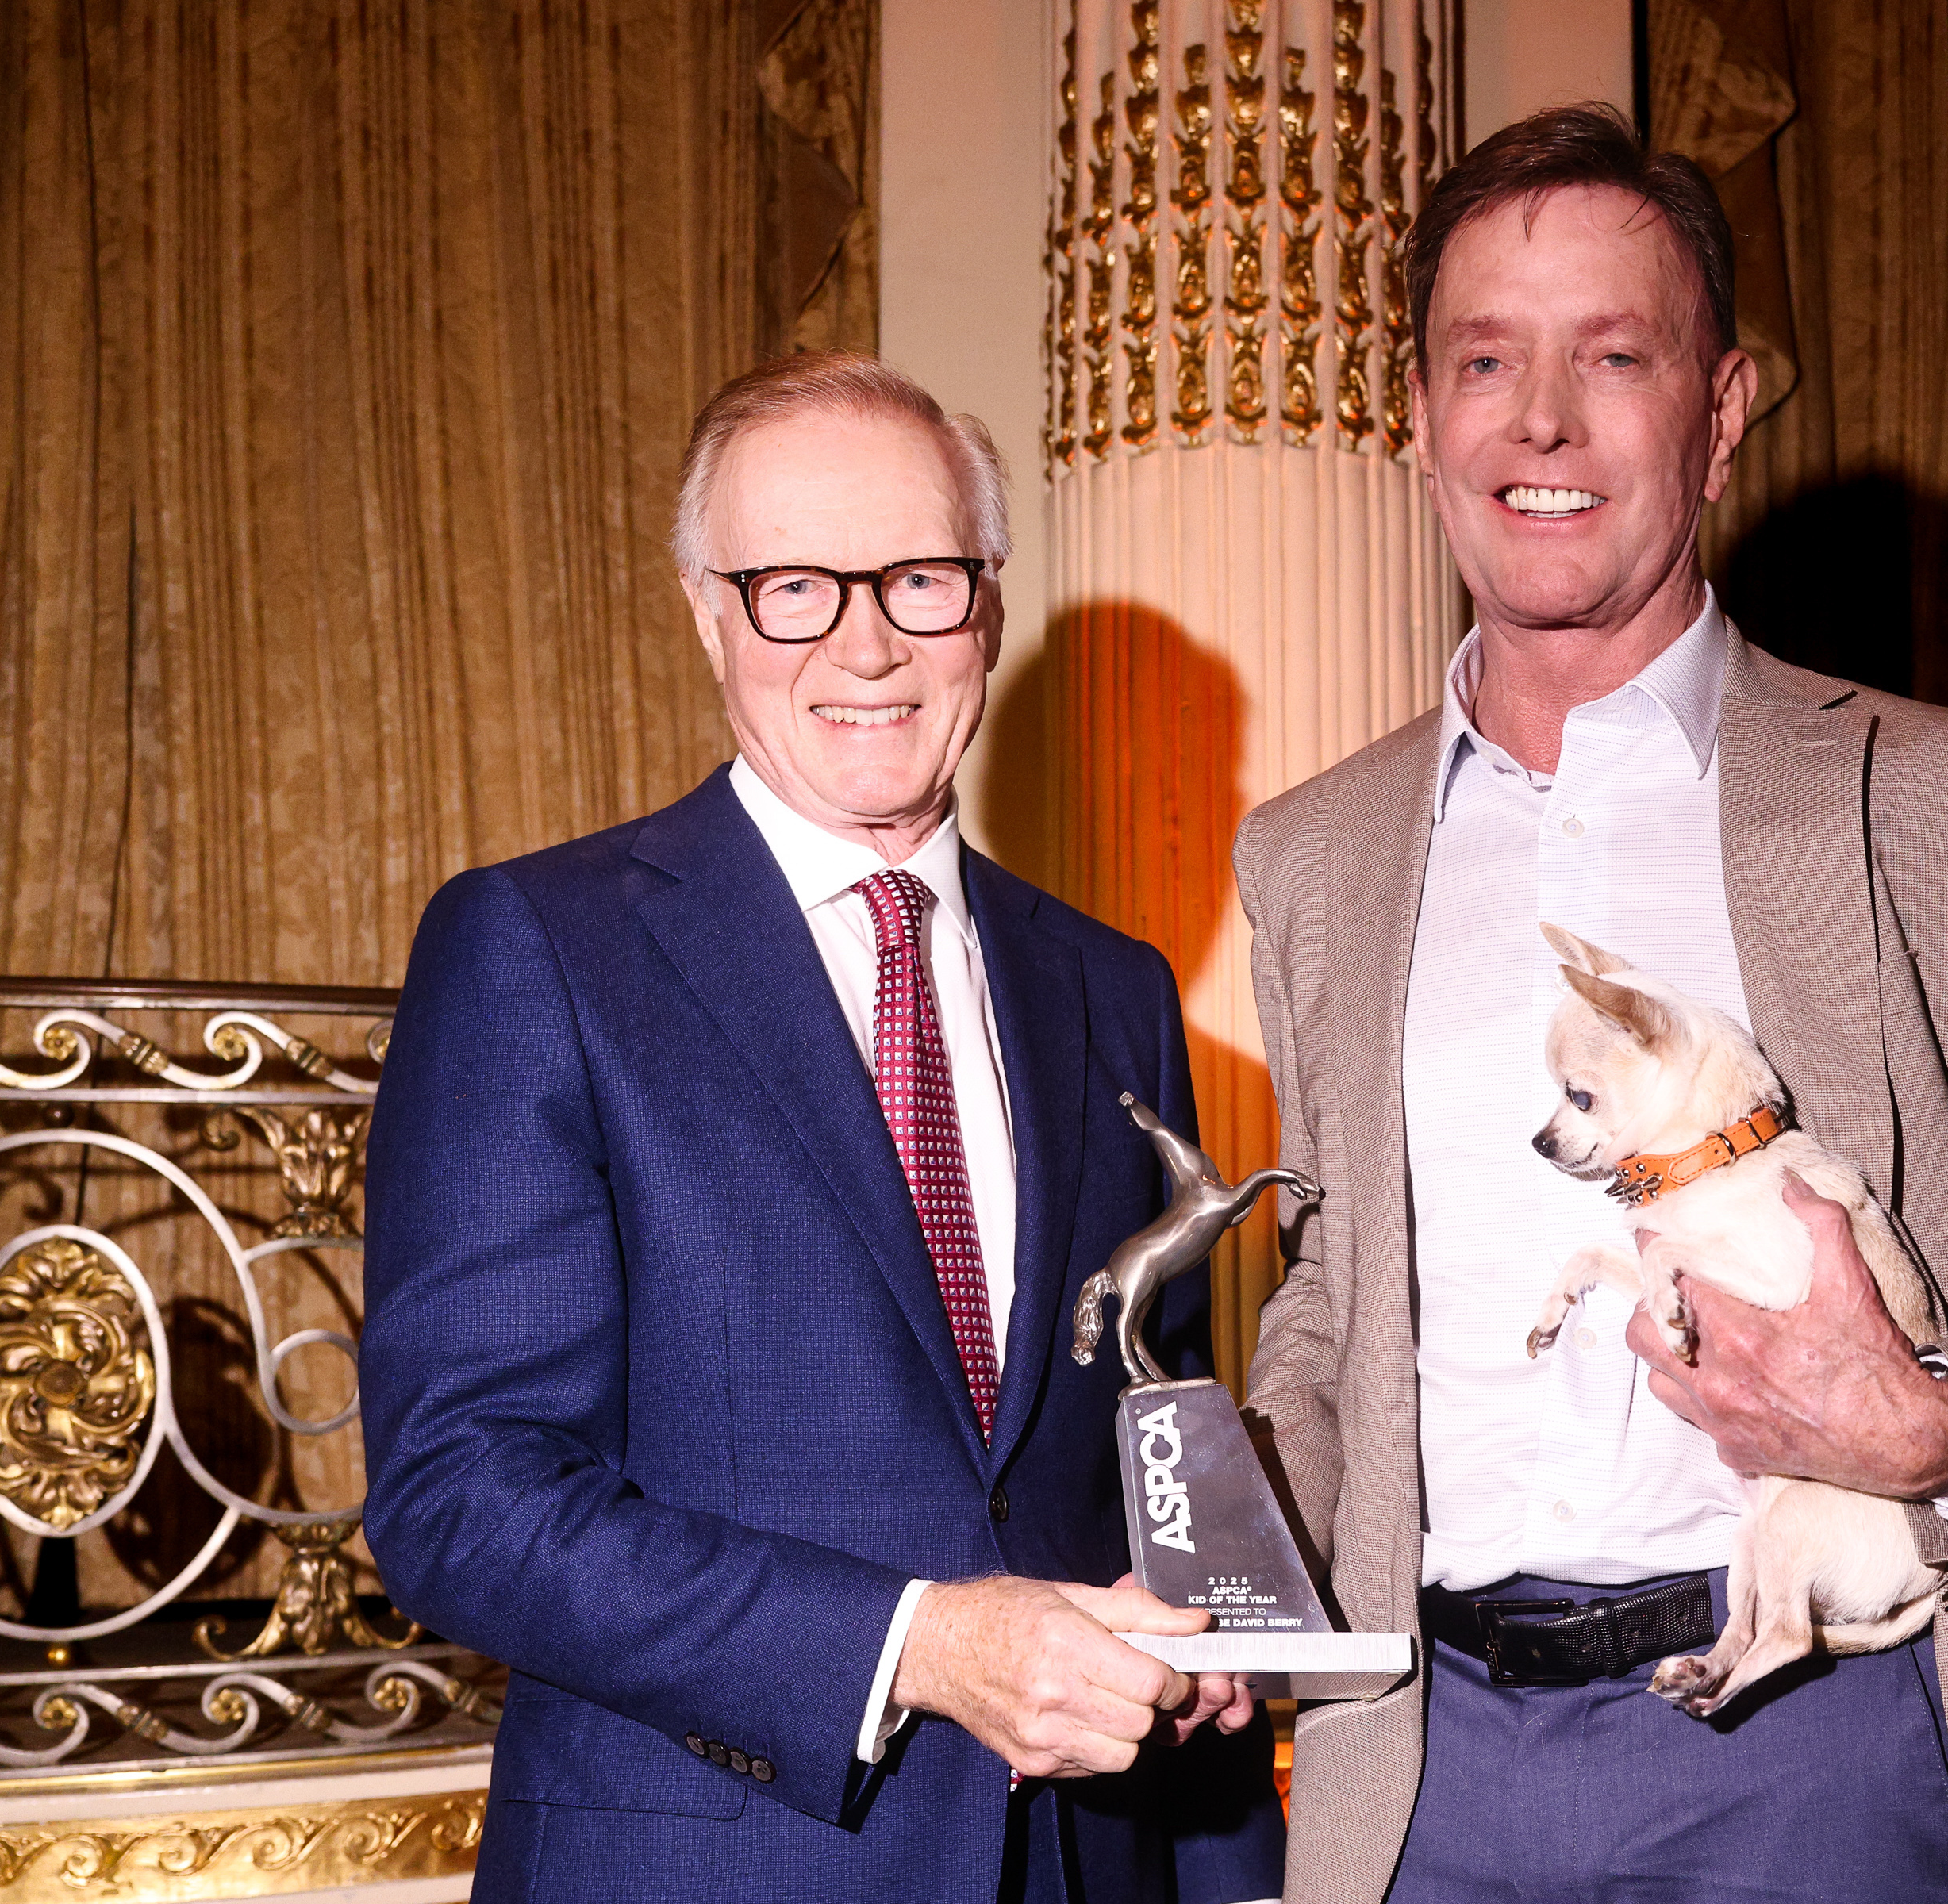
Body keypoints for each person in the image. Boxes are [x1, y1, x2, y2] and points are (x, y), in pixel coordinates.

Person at [1231, 106, 1948, 1903]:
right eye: (1486, 358)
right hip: (1427, 1773)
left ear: (1718, 412)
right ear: (1417, 415)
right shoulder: (1312, 852)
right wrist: (1247, 1555)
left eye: (1612, 357)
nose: (1540, 420)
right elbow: (1336, 1295)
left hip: (1827, 1740)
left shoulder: (1935, 797)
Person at [359, 352, 1282, 1903]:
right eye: (794, 584)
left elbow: (1141, 1424)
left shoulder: (1112, 989)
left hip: (1082, 1860)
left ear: (985, 604)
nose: (865, 641)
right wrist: (916, 1643)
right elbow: (462, 1493)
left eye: (919, 578)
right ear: (708, 612)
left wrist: (1204, 1629)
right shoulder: (538, 946)